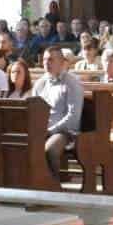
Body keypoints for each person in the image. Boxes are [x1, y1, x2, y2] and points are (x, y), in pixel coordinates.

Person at [34, 47, 84, 178]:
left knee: (50, 149)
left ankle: (53, 184)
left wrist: (50, 130)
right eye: (45, 59)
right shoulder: (40, 83)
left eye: (51, 60)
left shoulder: (72, 83)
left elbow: (73, 116)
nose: (46, 63)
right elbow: (33, 110)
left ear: (61, 62)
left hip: (65, 132)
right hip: (43, 129)